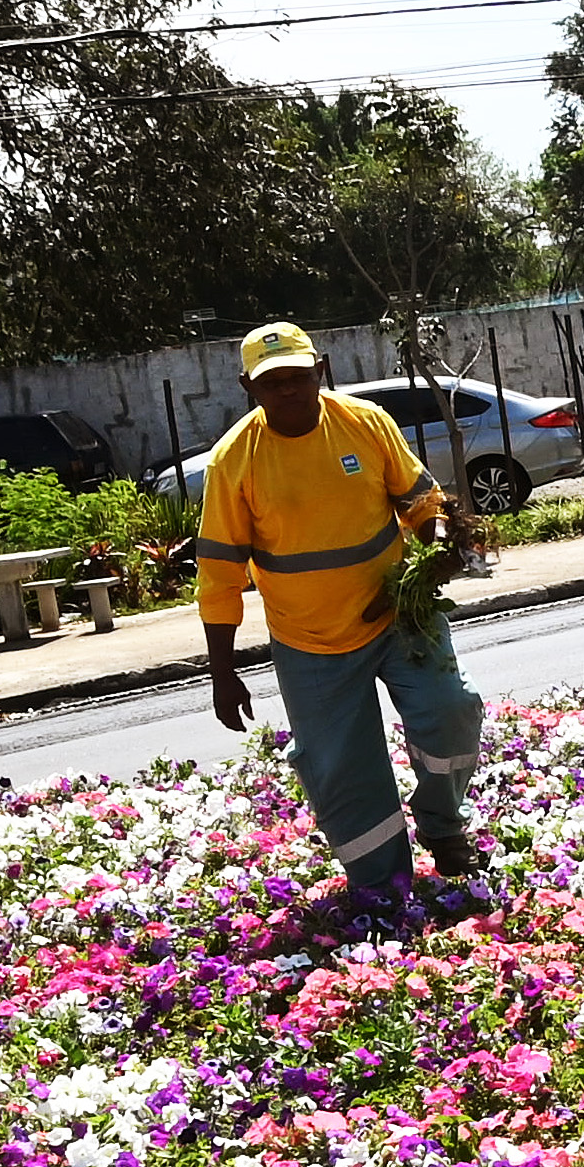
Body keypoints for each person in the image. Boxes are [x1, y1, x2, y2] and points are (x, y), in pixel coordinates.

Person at [195, 320, 479, 891]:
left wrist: (441, 535)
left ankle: (443, 827)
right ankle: (385, 884)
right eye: (272, 382)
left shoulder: (365, 424)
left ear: (320, 370)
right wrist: (223, 672)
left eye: (297, 376)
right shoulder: (233, 462)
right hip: (312, 643)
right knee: (342, 771)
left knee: (451, 712)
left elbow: (420, 500)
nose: (288, 390)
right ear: (248, 387)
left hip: (402, 615)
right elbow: (219, 575)